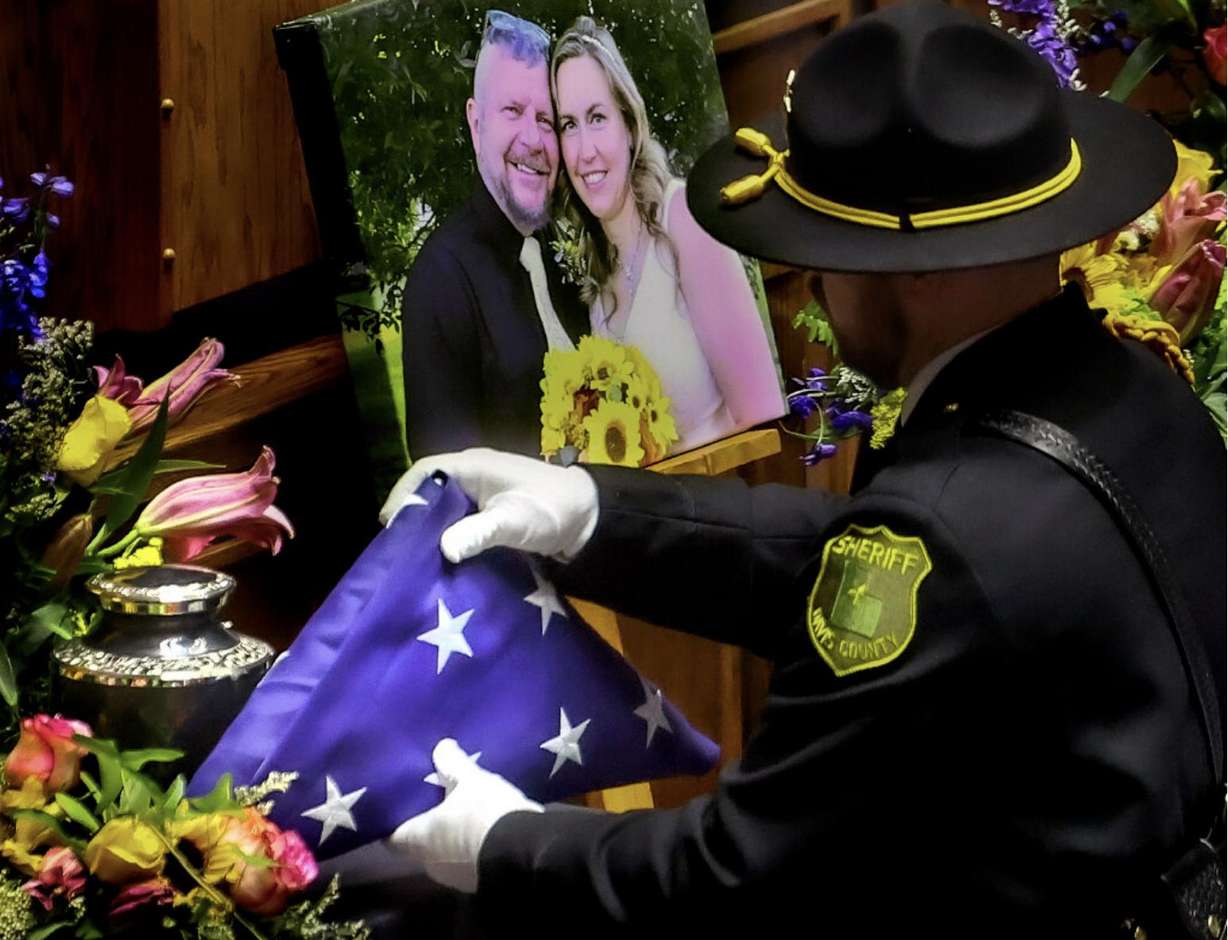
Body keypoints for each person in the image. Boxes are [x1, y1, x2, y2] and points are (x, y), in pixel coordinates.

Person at [379, 2, 1226, 936]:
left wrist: (509, 844)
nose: (814, 281)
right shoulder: (1137, 388)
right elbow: (869, 570)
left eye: (827, 250)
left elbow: (735, 876)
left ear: (918, 270)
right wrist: (590, 510)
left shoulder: (946, 522)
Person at [549, 17, 784, 454]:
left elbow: (763, 415)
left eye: (597, 117)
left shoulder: (683, 220)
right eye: (568, 125)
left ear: (629, 124)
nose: (584, 151)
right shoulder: (600, 275)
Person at [401, 10, 587, 460]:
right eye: (513, 111)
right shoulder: (439, 281)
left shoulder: (559, 256)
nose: (533, 139)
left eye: (546, 120)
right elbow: (448, 484)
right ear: (476, 121)